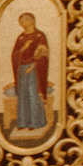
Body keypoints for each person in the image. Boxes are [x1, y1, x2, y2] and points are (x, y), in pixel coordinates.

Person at [10, 11, 52, 140]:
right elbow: (15, 54)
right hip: (21, 68)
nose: (22, 23)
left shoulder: (39, 36)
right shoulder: (21, 37)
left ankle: (36, 122)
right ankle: (23, 122)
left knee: (33, 94)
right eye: (21, 21)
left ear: (32, 21)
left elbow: (43, 54)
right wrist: (23, 49)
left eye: (25, 20)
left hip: (34, 69)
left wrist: (32, 66)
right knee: (23, 94)